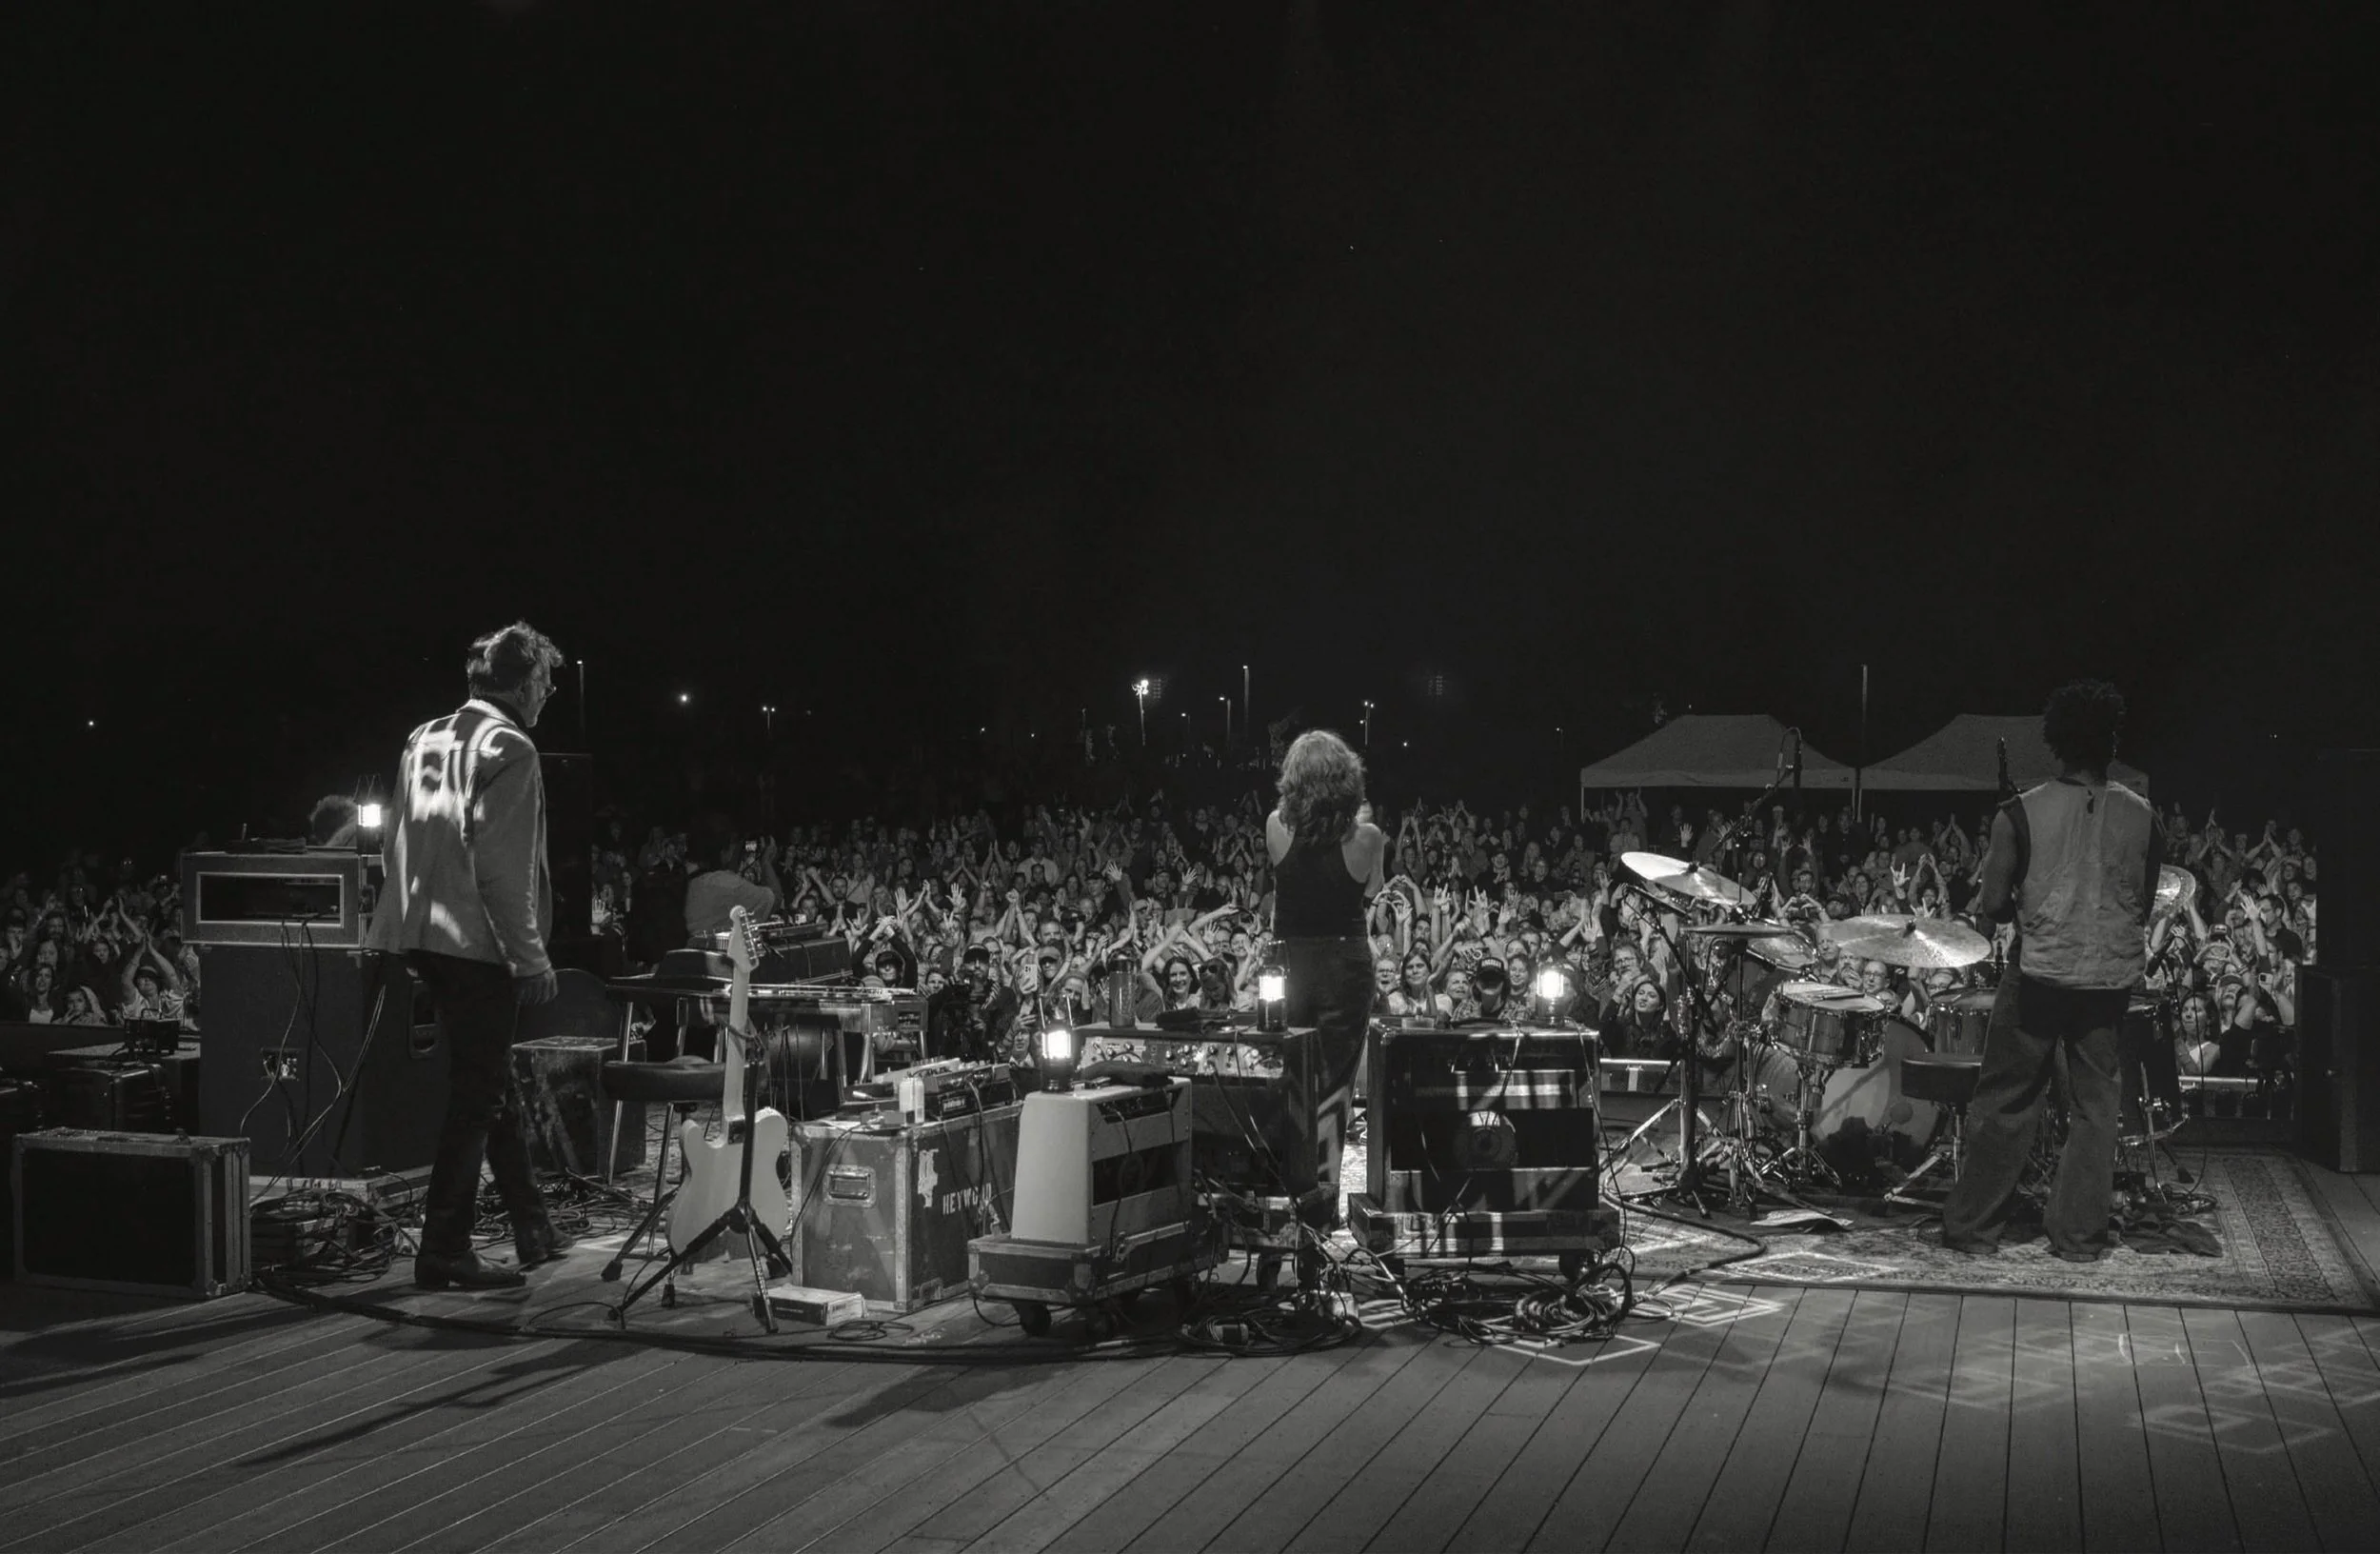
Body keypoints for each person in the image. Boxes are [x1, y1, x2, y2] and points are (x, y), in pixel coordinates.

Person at [367, 621, 571, 1292]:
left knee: (489, 1079)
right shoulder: (511, 747)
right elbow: (500, 871)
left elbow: (395, 836)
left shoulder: (423, 734)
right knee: (477, 1094)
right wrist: (531, 958)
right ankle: (445, 1248)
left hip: (420, 932)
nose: (546, 694)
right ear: (520, 682)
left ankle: (532, 1226)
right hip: (477, 941)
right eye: (543, 681)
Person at [1942, 680, 2163, 1264]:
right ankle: (2079, 1239)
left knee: (2007, 1100)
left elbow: (1990, 906)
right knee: (2095, 1110)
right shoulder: (2144, 817)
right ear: (2110, 742)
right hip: (2108, 982)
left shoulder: (2021, 811)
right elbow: (2143, 896)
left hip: (2039, 974)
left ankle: (1973, 1229)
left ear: (2057, 742)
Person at [1266, 729, 1383, 1223]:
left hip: (1291, 962)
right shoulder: (1368, 837)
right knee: (1335, 1087)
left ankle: (1284, 1193)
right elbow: (1372, 887)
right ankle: (1322, 1205)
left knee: (1291, 1080)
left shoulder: (1275, 824)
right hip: (1345, 964)